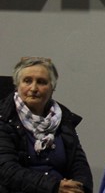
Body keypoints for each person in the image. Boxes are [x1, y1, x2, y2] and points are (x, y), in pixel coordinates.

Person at [0, 57, 92, 193]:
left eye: (41, 82)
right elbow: (6, 170)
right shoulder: (4, 117)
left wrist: (80, 187)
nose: (33, 88)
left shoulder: (63, 119)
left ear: (52, 87)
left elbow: (79, 163)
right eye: (27, 81)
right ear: (17, 85)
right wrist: (54, 187)